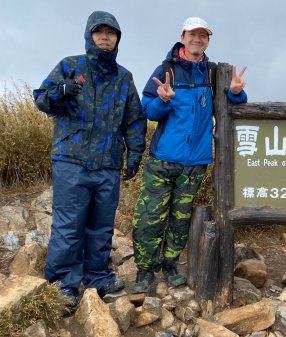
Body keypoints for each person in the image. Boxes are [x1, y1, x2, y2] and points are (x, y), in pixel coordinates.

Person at [32, 11, 147, 307]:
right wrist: (62, 91)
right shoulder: (70, 66)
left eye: (111, 33)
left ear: (117, 39)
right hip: (71, 161)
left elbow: (134, 120)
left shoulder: (124, 78)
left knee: (101, 225)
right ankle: (63, 284)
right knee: (69, 225)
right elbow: (41, 99)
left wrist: (134, 153)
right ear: (89, 35)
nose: (105, 37)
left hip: (108, 164)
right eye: (100, 32)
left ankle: (97, 276)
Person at [131, 17, 248, 293]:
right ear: (183, 37)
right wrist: (163, 99)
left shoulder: (213, 73)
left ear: (208, 40)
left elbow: (231, 107)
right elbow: (149, 111)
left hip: (195, 163)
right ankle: (145, 270)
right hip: (163, 159)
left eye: (203, 35)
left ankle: (170, 266)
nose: (198, 39)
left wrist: (235, 94)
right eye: (193, 34)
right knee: (149, 217)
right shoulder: (165, 69)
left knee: (180, 219)